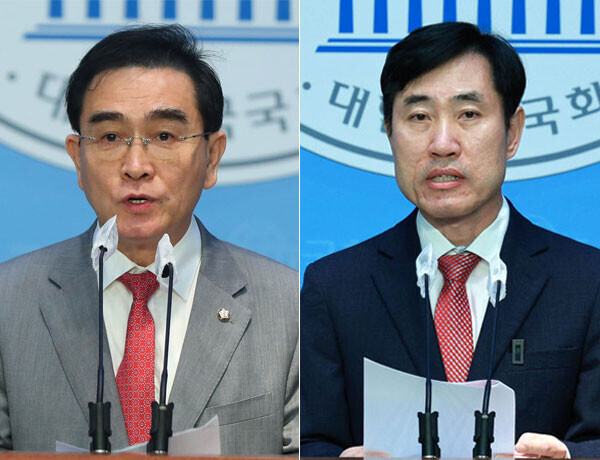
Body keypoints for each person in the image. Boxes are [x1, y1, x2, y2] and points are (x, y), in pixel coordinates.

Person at [301, 22, 600, 458]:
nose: (442, 144)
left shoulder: (587, 281)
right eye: (419, 117)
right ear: (389, 132)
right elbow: (310, 441)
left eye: (469, 115)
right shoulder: (335, 287)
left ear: (512, 132)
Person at [0, 25, 298, 454]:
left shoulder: (288, 307)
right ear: (78, 159)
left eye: (164, 136)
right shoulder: (9, 301)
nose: (136, 165)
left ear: (211, 157)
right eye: (110, 137)